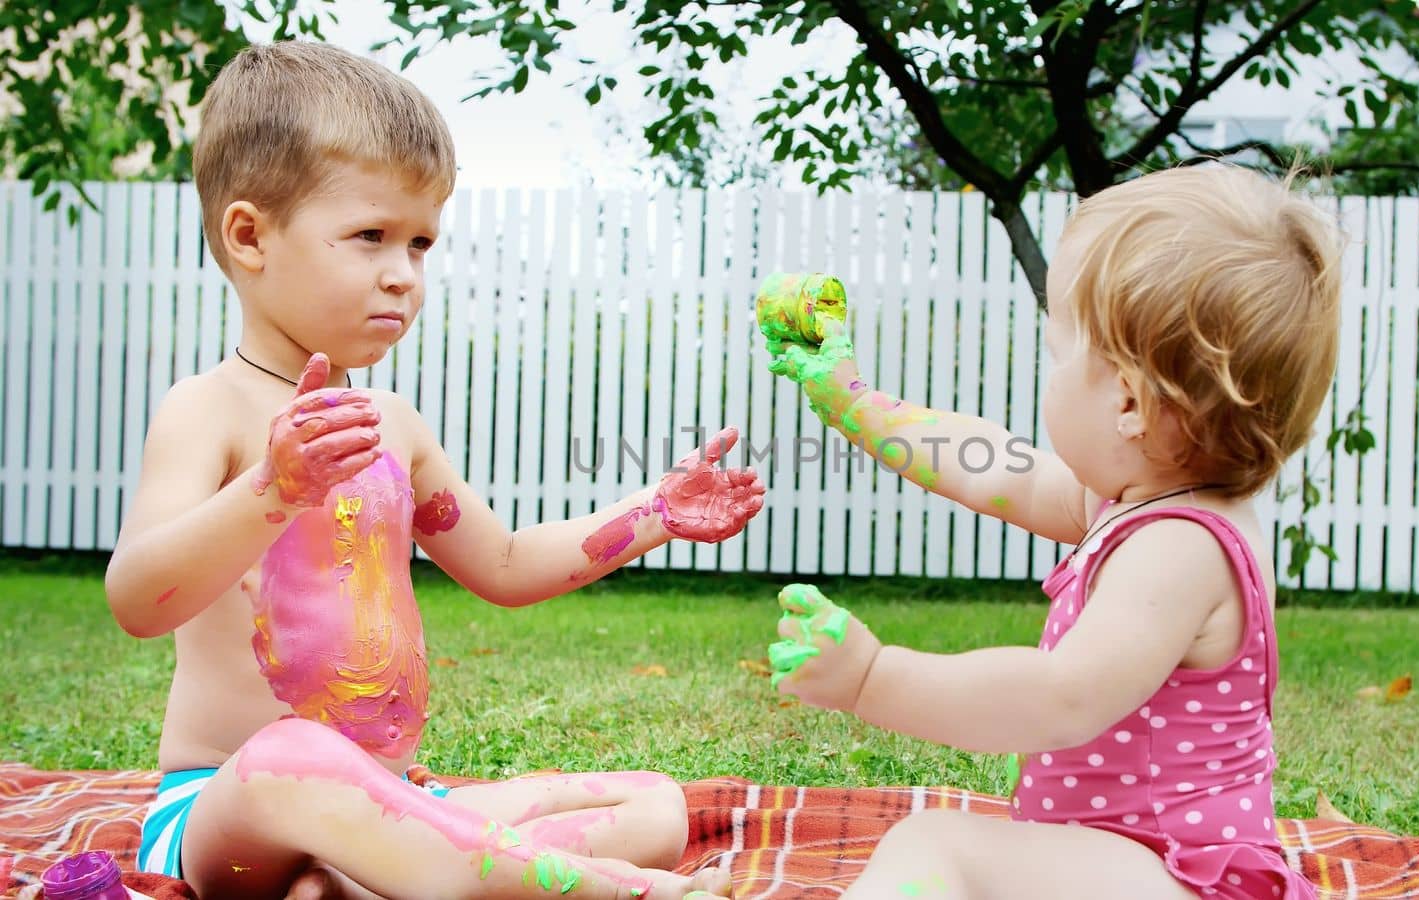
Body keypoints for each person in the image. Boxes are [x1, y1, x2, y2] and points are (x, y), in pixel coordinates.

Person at [104, 40, 759, 900]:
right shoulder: (209, 411)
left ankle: (379, 878)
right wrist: (274, 491)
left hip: (393, 805)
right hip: (229, 814)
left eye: (419, 244)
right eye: (371, 236)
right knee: (294, 756)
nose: (403, 276)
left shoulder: (394, 428)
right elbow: (137, 601)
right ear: (250, 235)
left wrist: (655, 512)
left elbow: (508, 566)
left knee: (655, 807)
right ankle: (597, 888)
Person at [762, 164, 1341, 899]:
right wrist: (854, 402)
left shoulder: (1180, 548)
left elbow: (1061, 699)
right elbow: (997, 470)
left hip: (1180, 876)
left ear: (1128, 401)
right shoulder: (1133, 499)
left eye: (1057, 351)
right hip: (1120, 861)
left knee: (939, 845)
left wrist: (874, 679)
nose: (1049, 370)